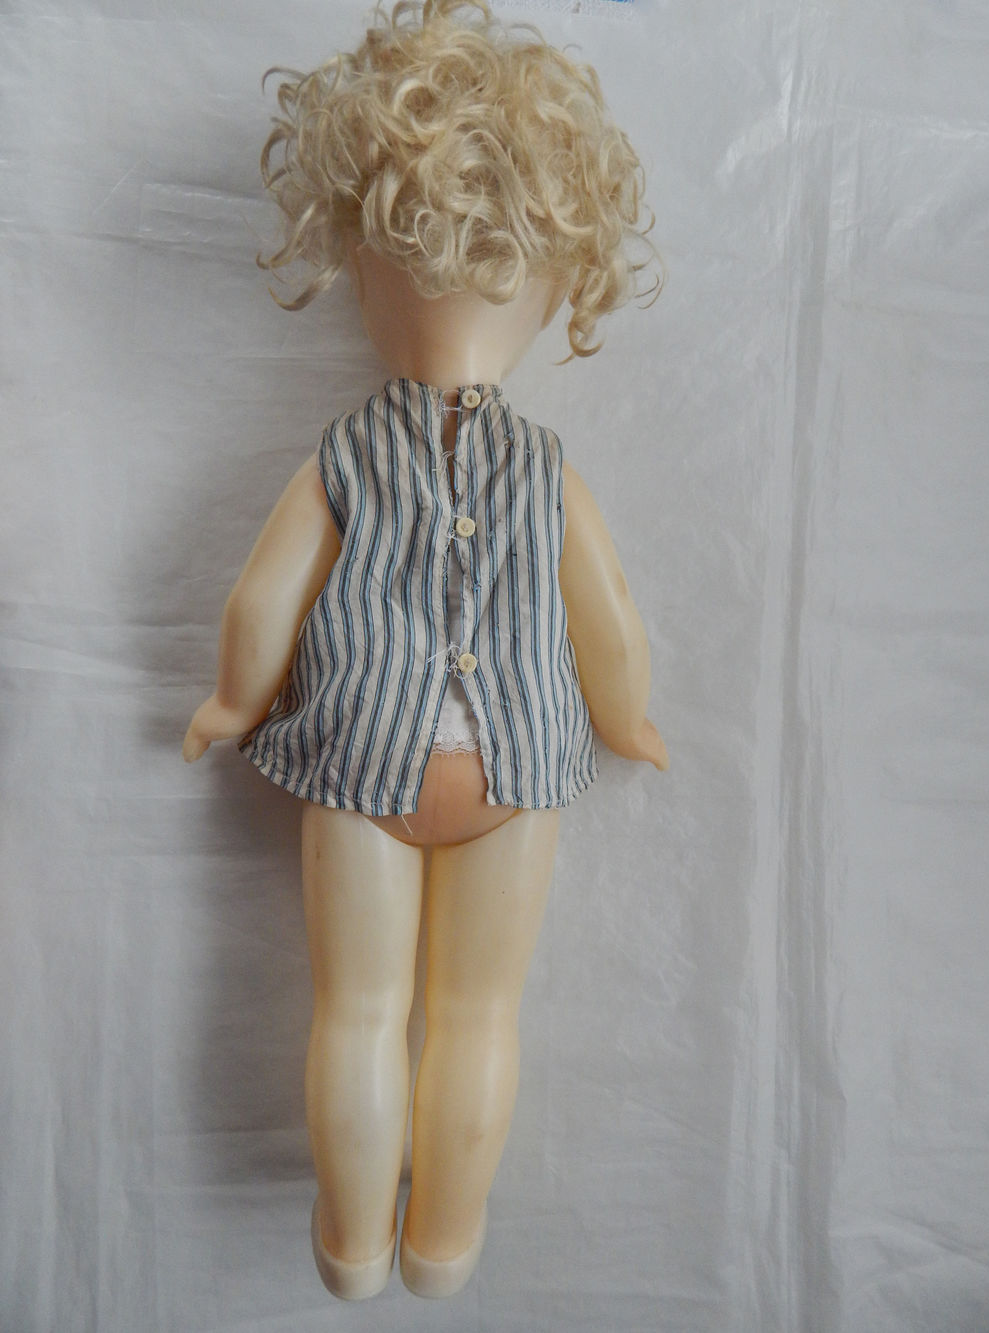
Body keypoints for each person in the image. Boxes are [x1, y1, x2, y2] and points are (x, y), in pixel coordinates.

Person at [183, 0, 666, 1300]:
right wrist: (626, 717)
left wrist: (232, 701)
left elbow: (262, 600)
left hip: (363, 761)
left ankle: (350, 1243)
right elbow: (610, 616)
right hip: (515, 765)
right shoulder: (546, 467)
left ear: (357, 257)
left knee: (356, 1012)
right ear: (558, 283)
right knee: (476, 1016)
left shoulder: (343, 455)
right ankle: (443, 1240)